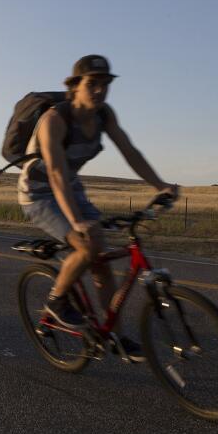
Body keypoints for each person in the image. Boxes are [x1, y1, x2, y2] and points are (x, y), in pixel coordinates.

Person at [18, 55, 178, 361]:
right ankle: (57, 301)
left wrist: (161, 186)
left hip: (70, 186)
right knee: (85, 244)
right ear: (75, 86)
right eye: (92, 84)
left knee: (102, 261)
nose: (99, 91)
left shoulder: (104, 116)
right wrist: (77, 223)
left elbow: (130, 152)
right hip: (39, 192)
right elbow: (54, 173)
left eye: (105, 85)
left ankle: (113, 334)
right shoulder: (55, 120)